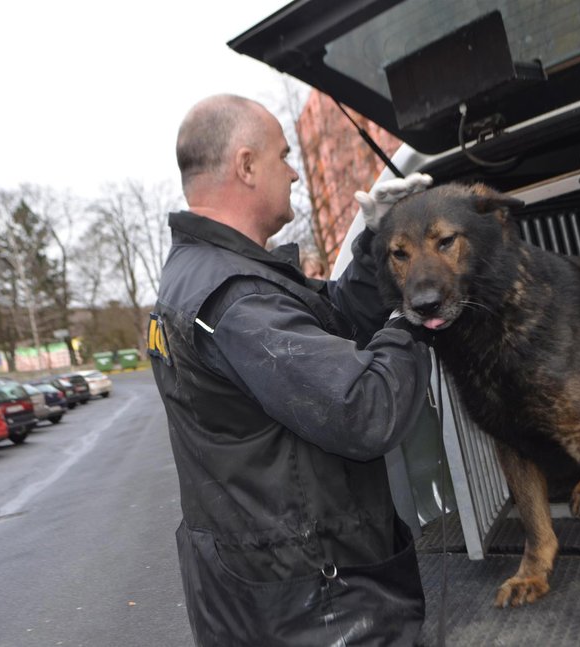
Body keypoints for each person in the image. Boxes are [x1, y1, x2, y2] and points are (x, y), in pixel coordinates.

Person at [148, 93, 433, 646]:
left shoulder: (218, 272)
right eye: (283, 157)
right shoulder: (235, 298)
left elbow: (332, 319)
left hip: (275, 590)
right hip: (316, 605)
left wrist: (375, 245)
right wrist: (416, 311)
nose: (296, 174)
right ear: (247, 165)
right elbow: (362, 408)